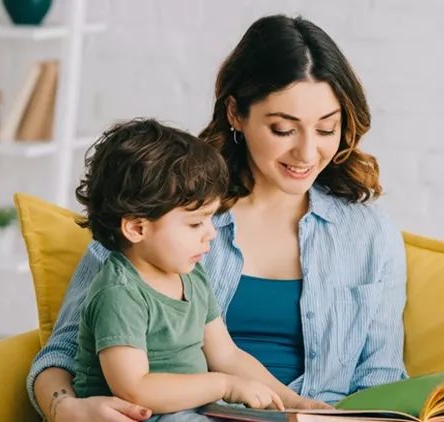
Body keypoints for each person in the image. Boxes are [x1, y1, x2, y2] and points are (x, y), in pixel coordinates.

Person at [27, 13, 408, 422]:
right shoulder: (162, 209)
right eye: (283, 129)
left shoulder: (368, 233)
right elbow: (62, 353)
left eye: (327, 129)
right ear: (235, 113)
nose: (308, 153)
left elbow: (380, 375)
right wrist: (66, 408)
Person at [68, 117, 313, 422]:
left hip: (187, 413)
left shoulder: (191, 275)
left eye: (210, 219)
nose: (210, 233)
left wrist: (293, 401)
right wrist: (223, 385)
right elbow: (135, 390)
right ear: (136, 228)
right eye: (195, 223)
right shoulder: (120, 292)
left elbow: (227, 355)